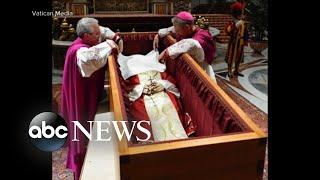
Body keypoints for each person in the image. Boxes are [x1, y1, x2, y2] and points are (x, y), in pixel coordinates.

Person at [60, 17, 120, 180]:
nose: (100, 35)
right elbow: (91, 57)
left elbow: (103, 31)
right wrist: (110, 44)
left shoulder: (88, 39)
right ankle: (83, 169)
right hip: (82, 100)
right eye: (96, 33)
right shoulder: (80, 50)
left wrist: (110, 37)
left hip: (89, 93)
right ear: (86, 36)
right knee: (83, 132)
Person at [153, 11, 217, 82]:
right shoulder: (184, 29)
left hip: (203, 75)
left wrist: (166, 52)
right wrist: (158, 34)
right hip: (187, 74)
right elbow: (172, 29)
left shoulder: (203, 35)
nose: (177, 32)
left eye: (178, 31)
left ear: (187, 27)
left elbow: (192, 43)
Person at [225, 0, 248, 78]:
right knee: (231, 57)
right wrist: (236, 25)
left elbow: (245, 32)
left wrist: (245, 40)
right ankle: (229, 70)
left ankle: (236, 70)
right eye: (239, 13)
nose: (241, 14)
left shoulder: (242, 21)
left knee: (239, 57)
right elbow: (227, 31)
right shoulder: (232, 22)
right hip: (233, 42)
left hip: (240, 42)